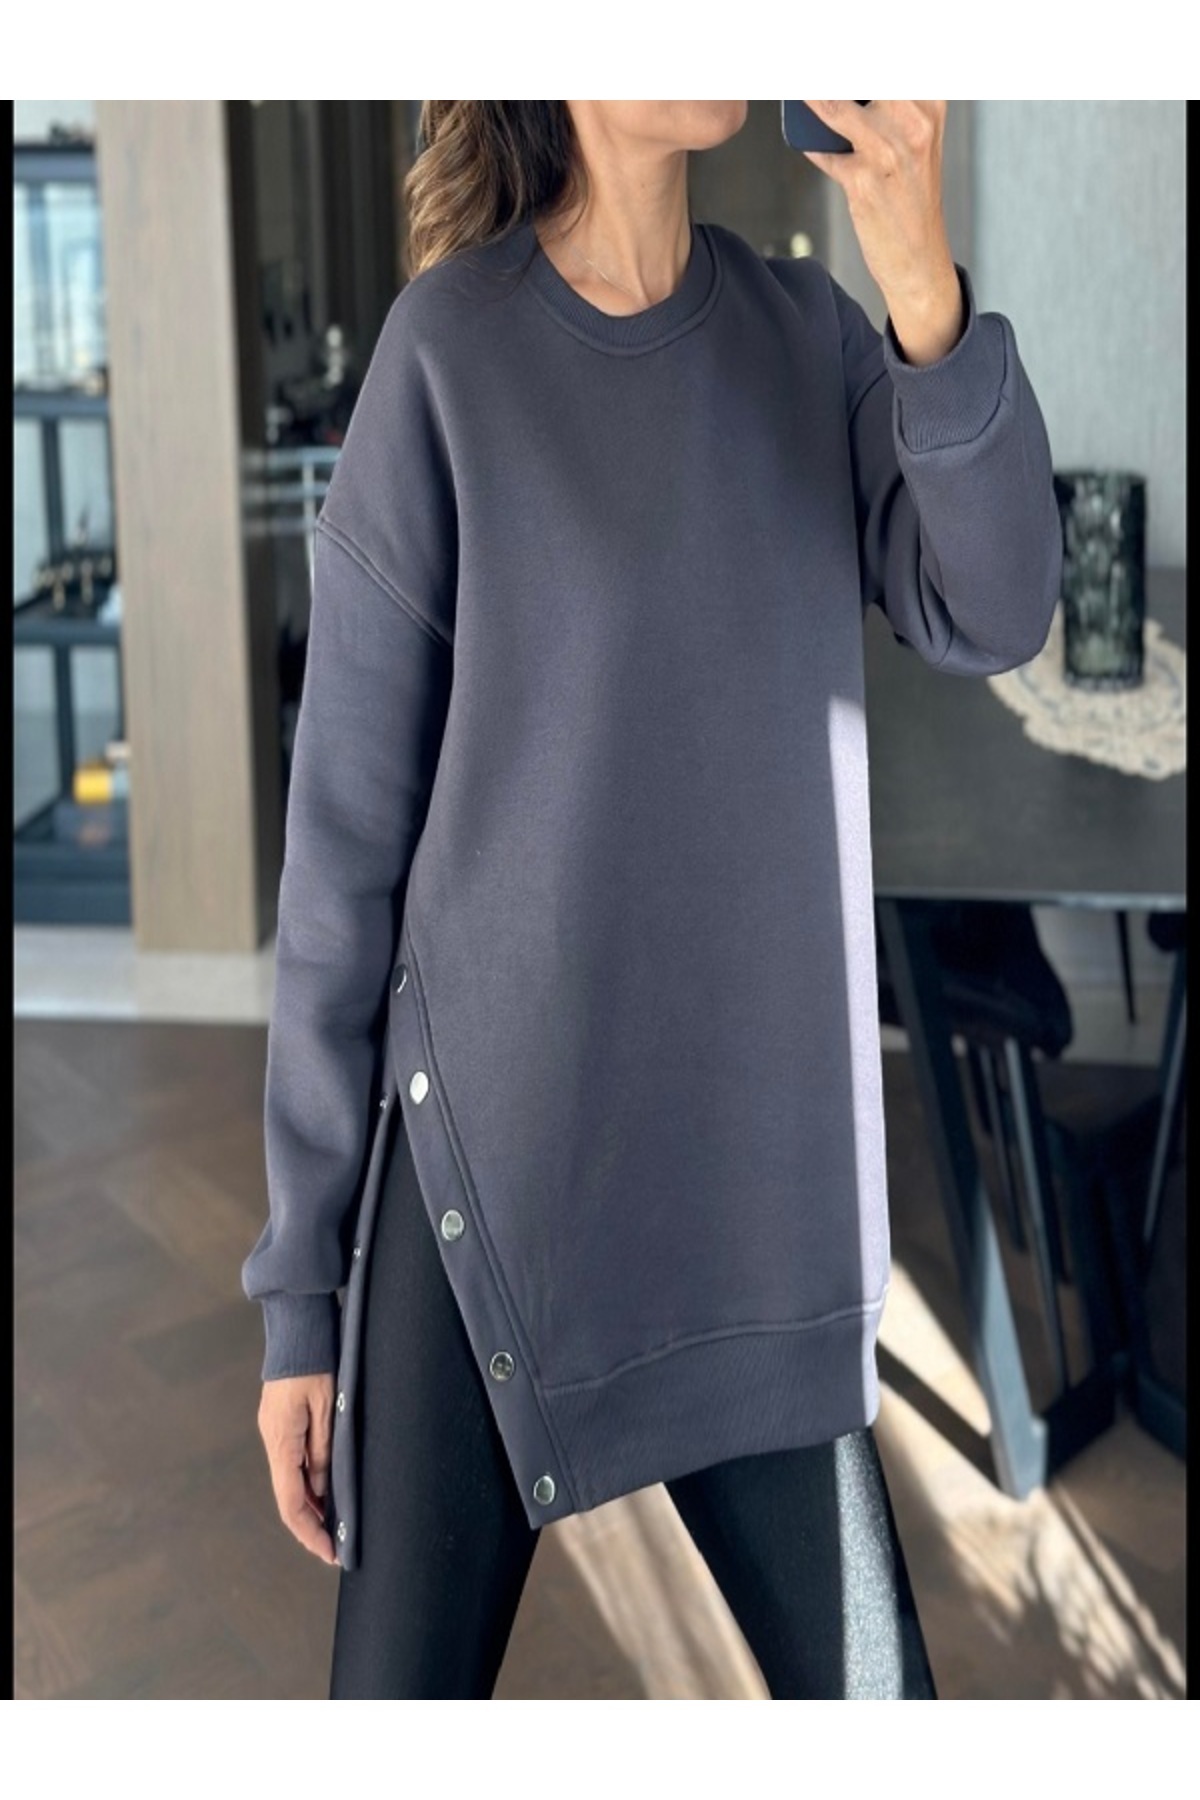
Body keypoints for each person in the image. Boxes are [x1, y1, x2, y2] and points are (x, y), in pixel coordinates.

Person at [242, 101, 1063, 1699]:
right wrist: (300, 1297)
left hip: (752, 1209)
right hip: (490, 1203)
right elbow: (341, 861)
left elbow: (999, 602)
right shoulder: (446, 358)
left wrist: (922, 287)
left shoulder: (808, 335)